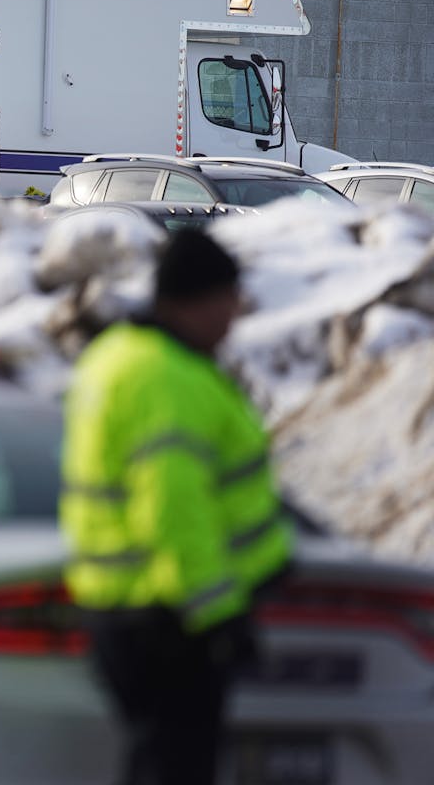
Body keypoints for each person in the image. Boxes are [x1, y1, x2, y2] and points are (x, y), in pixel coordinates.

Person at [60, 228, 293, 785]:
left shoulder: (119, 356)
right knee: (177, 766)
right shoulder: (167, 378)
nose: (235, 317)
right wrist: (217, 614)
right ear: (200, 299)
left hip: (131, 610)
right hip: (168, 619)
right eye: (229, 300)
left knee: (156, 761)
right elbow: (171, 508)